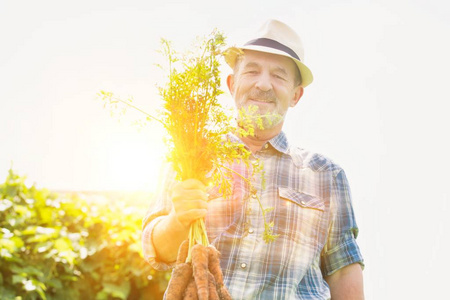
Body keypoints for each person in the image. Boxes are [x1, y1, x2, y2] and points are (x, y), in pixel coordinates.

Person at [142, 19, 364, 299]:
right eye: (252, 71)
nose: (263, 84)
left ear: (296, 95)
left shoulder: (326, 175)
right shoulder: (189, 156)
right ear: (232, 84)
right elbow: (157, 252)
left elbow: (343, 269)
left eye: (279, 75)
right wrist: (178, 219)